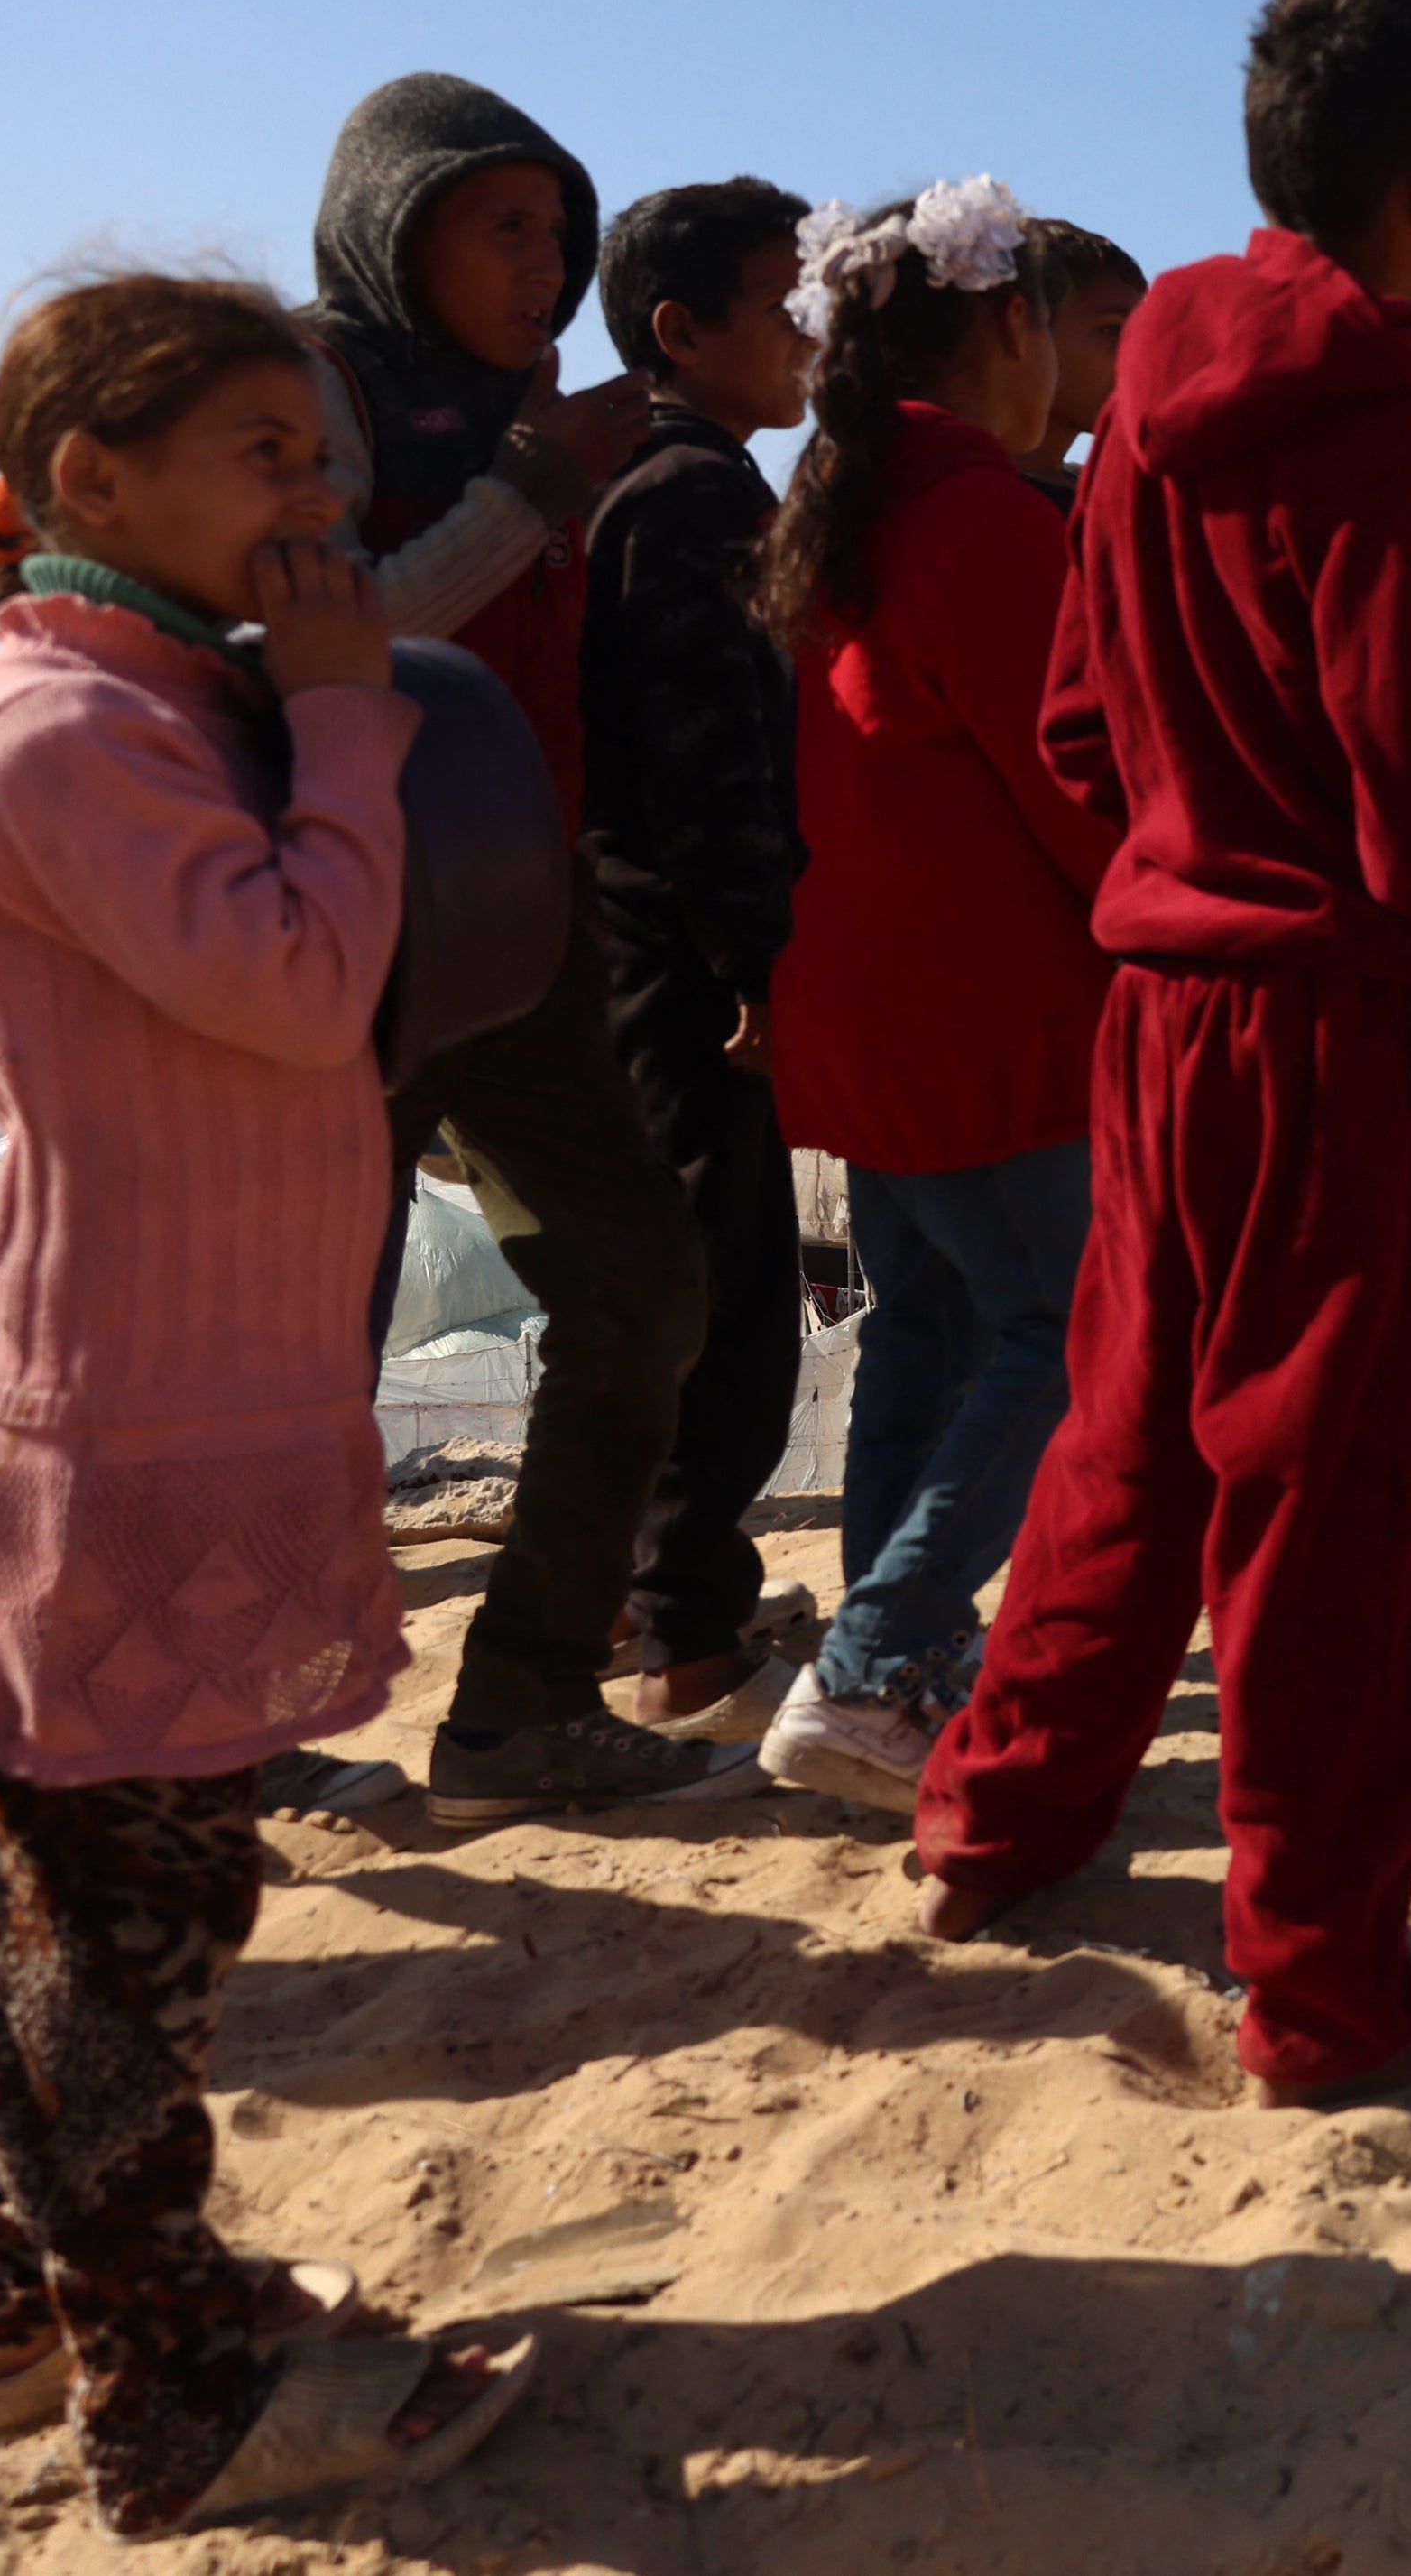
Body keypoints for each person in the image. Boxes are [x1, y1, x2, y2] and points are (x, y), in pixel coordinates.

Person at [914, 0, 1411, 2101]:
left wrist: (1201, 842)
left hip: (1163, 1006)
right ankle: (1320, 1980)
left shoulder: (1127, 438)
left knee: (1123, 1430)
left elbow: (1076, 725)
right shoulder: (1402, 443)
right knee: (1330, 1501)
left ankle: (993, 1823)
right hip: (1334, 1036)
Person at [0, 273, 534, 2526]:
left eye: (330, 461)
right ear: (96, 480)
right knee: (119, 1930)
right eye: (268, 454)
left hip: (174, 1406)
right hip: (121, 1432)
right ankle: (165, 2387)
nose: (324, 500)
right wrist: (355, 721)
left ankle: (8, 2297)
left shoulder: (145, 699)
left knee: (74, 1895)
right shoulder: (63, 734)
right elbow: (296, 979)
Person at [302, 72, 755, 1823]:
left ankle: (521, 1709)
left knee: (648, 1286)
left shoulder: (539, 418)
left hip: (524, 936)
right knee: (301, 1356)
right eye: (503, 225)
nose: (541, 261)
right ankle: (218, 1735)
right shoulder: (314, 393)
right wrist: (523, 486)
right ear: (391, 224)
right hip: (336, 944)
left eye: (559, 230)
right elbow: (328, 633)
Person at [748, 181, 1109, 1815]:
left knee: (930, 1327)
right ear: (1010, 326)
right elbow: (1079, 784)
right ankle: (877, 1658)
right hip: (982, 1012)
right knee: (1071, 1327)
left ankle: (902, 1661)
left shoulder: (850, 509)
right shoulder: (981, 520)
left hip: (868, 1006)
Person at [581, 176, 818, 1744]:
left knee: (708, 1290)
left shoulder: (696, 489)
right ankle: (681, 1644)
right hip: (686, 966)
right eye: (780, 297)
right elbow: (702, 776)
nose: (811, 328)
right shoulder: (689, 503)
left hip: (668, 958)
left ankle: (668, 1600)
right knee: (720, 1304)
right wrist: (755, 965)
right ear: (681, 329)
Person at [1014, 218, 1146, 506]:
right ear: (1021, 330)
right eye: (1111, 330)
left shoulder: (1109, 500)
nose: (1138, 354)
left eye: (1142, 334)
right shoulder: (973, 497)